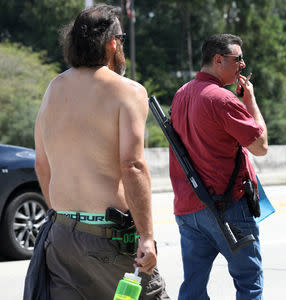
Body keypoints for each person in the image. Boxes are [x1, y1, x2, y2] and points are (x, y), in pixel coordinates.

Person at [33, 4, 169, 299]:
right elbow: (132, 165)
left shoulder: (54, 88)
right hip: (109, 238)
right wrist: (146, 236)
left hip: (61, 235)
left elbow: (42, 165)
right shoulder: (128, 91)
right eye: (120, 37)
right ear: (112, 43)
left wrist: (61, 214)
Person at [169, 33, 268, 299]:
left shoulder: (181, 94)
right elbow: (260, 146)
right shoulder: (222, 99)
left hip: (189, 208)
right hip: (227, 208)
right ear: (218, 60)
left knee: (193, 286)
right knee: (249, 281)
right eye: (238, 59)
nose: (243, 65)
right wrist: (250, 102)